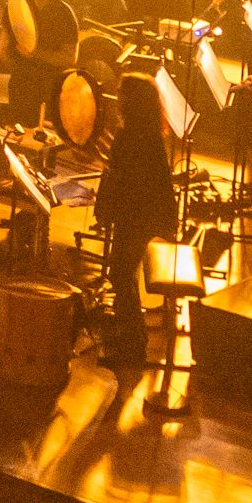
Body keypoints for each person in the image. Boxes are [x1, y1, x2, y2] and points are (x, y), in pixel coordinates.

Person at [96, 71, 183, 373]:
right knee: (123, 271)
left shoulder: (129, 135)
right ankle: (129, 333)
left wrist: (104, 211)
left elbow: (120, 180)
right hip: (152, 212)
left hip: (137, 213)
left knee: (120, 272)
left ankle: (132, 341)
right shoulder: (148, 131)